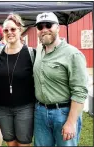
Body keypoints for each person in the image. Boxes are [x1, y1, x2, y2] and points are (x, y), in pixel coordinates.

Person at [33, 12, 88, 146]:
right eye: (40, 27)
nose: (44, 29)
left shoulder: (73, 54)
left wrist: (71, 122)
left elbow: (80, 91)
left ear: (58, 27)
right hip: (40, 112)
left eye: (48, 25)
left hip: (63, 113)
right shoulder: (39, 50)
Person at [0, 13, 36, 146]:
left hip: (25, 108)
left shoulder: (30, 53)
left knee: (23, 143)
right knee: (11, 144)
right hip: (2, 108)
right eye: (6, 30)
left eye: (13, 29)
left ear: (20, 30)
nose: (9, 32)